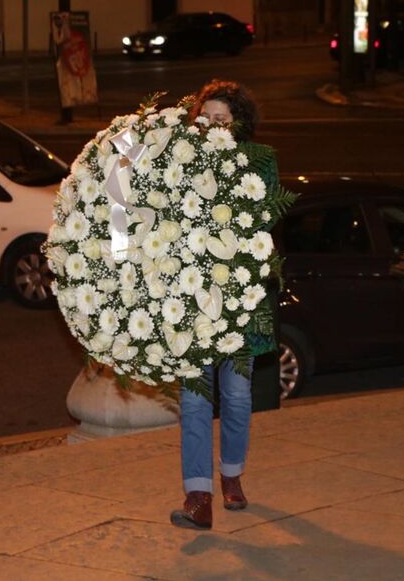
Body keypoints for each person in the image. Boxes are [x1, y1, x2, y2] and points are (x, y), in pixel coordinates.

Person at [170, 80, 279, 530]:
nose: (213, 126)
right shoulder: (180, 162)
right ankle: (199, 496)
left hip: (241, 302)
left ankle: (231, 475)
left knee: (235, 396)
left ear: (239, 124)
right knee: (195, 401)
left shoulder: (261, 160)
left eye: (222, 119)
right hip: (192, 301)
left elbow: (268, 214)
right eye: (206, 118)